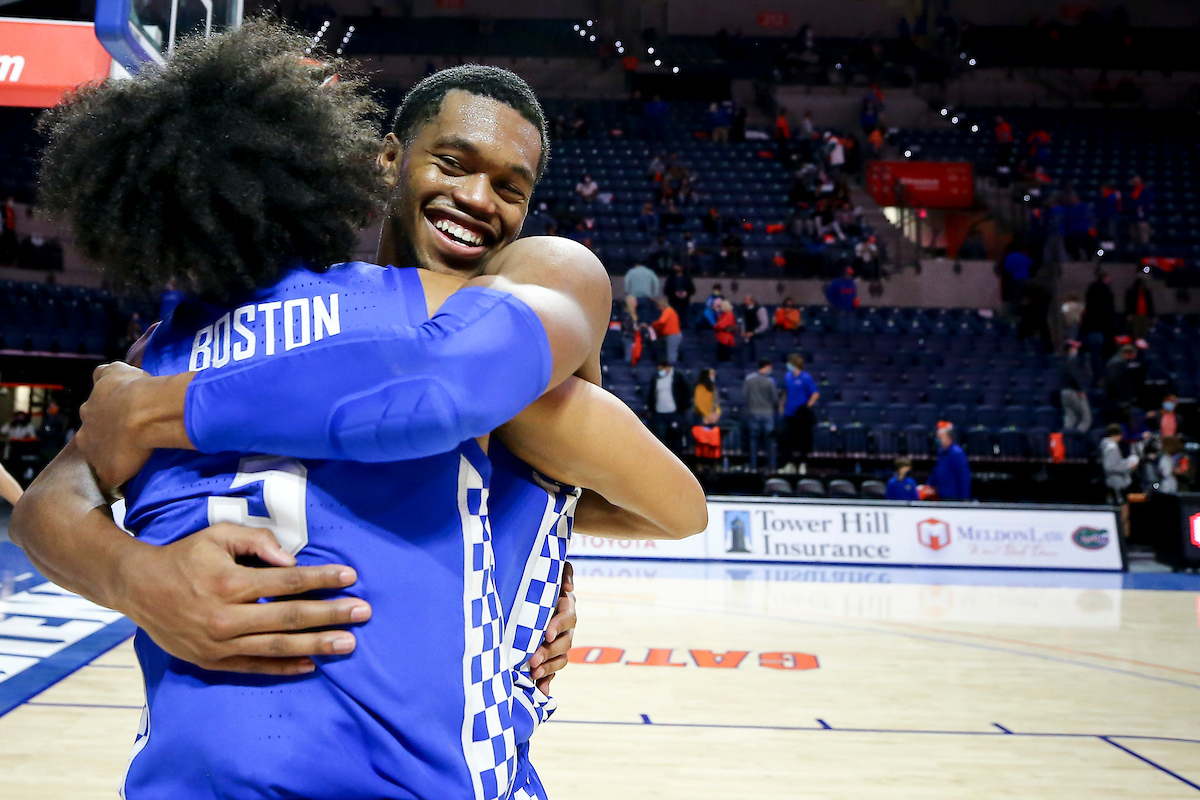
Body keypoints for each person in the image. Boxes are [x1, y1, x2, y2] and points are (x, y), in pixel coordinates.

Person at [20, 32, 706, 799]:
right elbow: (50, 504)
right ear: (387, 159)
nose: (479, 199)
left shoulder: (164, 360)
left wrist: (541, 564)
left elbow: (443, 394)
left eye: (510, 188)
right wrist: (134, 577)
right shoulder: (433, 333)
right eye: (453, 163)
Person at [780, 353, 818, 470]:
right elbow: (785, 392)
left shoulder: (806, 377)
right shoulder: (787, 376)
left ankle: (802, 463)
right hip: (789, 413)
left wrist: (806, 407)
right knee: (788, 440)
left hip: (800, 415)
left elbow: (815, 394)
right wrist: (782, 405)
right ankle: (789, 464)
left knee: (803, 440)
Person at [644, 359, 691, 453]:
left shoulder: (678, 376)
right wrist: (651, 409)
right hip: (659, 413)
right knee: (660, 438)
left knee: (675, 437)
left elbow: (686, 393)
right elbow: (652, 394)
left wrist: (683, 408)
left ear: (667, 367)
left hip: (674, 413)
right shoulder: (655, 378)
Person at [743, 359, 779, 473]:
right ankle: (772, 468)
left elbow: (744, 396)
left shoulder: (749, 379)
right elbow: (775, 399)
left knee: (753, 442)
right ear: (767, 366)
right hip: (767, 414)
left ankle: (753, 467)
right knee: (770, 443)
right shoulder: (770, 381)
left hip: (753, 413)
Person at [929, 426, 971, 501]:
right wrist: (929, 485)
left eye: (940, 437)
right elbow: (937, 471)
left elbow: (963, 475)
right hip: (941, 493)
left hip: (954, 495)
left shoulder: (957, 453)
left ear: (948, 438)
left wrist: (965, 497)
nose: (938, 439)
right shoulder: (941, 452)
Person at [1100, 422, 1138, 503]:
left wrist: (1126, 462)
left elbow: (1115, 462)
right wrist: (1129, 467)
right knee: (1122, 506)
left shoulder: (1106, 444)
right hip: (1116, 482)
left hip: (1113, 481)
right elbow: (1109, 466)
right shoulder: (1112, 448)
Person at [1060, 341, 1092, 432]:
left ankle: (1067, 440)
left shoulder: (1062, 360)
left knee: (1070, 417)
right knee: (1086, 418)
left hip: (1064, 392)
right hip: (1075, 392)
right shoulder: (1075, 360)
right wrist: (1081, 389)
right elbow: (1075, 376)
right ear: (1071, 349)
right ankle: (1077, 440)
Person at [650, 296, 682, 365]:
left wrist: (653, 324)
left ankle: (672, 369)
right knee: (671, 353)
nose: (658, 309)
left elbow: (661, 321)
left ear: (661, 305)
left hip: (673, 335)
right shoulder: (670, 310)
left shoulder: (668, 310)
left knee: (671, 354)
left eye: (658, 307)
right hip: (672, 335)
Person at [825, 267, 857, 331]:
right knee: (841, 329)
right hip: (840, 310)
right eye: (847, 273)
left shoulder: (852, 283)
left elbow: (853, 295)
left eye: (850, 274)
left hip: (850, 310)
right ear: (844, 274)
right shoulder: (837, 282)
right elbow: (828, 293)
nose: (849, 275)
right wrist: (835, 304)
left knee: (851, 329)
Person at [740, 294, 769, 363]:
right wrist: (743, 331)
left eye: (747, 300)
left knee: (757, 355)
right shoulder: (744, 310)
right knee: (748, 355)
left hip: (758, 337)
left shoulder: (760, 309)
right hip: (748, 337)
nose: (745, 301)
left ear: (752, 301)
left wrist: (754, 332)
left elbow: (764, 324)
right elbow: (744, 322)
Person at [1124, 277, 1155, 341]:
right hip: (1135, 316)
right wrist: (1129, 314)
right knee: (1136, 332)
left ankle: (1143, 346)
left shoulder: (1146, 292)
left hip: (1145, 315)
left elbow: (1150, 304)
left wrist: (1152, 315)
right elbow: (1128, 303)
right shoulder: (1131, 292)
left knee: (1144, 332)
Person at [1, 195, 17, 265]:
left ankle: (9, 262)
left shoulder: (11, 210)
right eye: (10, 201)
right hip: (5, 230)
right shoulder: (3, 208)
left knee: (13, 247)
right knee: (3, 246)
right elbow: (3, 220)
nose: (11, 202)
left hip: (11, 230)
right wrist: (10, 220)